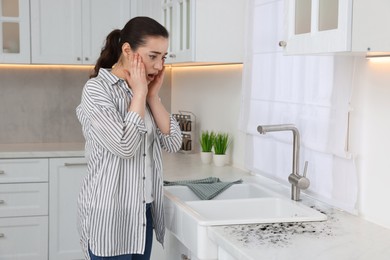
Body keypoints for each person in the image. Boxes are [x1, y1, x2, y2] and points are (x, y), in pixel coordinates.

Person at [76, 16, 182, 260]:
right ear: (127, 50)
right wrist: (141, 93)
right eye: (152, 56)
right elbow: (124, 146)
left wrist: (152, 97)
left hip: (143, 212)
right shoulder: (96, 90)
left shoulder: (143, 90)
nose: (159, 65)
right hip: (109, 215)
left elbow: (174, 143)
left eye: (163, 57)